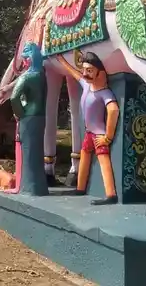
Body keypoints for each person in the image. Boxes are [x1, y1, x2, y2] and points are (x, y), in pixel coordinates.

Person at [55, 51, 119, 205]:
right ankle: (80, 188)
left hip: (99, 135)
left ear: (100, 73)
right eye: (84, 70)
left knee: (103, 161)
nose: (85, 74)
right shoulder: (86, 86)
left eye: (89, 71)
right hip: (89, 133)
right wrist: (62, 60)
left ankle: (111, 194)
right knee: (84, 157)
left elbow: (113, 110)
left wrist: (107, 137)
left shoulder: (104, 93)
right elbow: (74, 73)